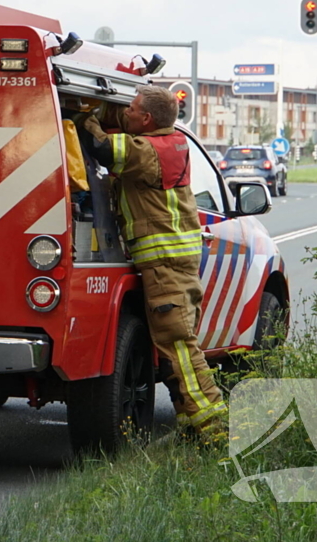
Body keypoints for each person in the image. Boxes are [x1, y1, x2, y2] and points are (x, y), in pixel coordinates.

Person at [75, 85, 226, 434]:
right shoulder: (172, 142)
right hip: (177, 261)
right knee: (175, 345)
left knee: (179, 346)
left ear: (146, 119)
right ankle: (191, 421)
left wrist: (84, 116)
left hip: (164, 264)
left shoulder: (146, 151)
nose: (125, 112)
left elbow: (102, 147)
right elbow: (125, 132)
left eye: (130, 108)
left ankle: (213, 428)